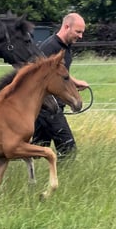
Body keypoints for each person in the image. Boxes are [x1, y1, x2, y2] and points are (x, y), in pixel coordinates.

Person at [31, 12, 90, 159]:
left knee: (37, 149)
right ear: (66, 27)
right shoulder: (50, 48)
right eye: (78, 31)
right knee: (68, 148)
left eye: (82, 32)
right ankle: (64, 179)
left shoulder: (65, 46)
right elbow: (36, 76)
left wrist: (74, 82)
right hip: (48, 107)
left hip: (51, 106)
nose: (81, 36)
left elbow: (59, 75)